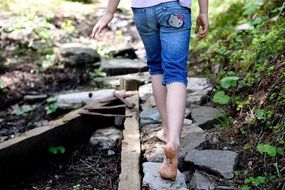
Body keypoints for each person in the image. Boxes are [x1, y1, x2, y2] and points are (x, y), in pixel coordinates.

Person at [92, 0, 209, 180]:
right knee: (175, 71)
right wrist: (203, 11)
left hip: (143, 9)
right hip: (174, 8)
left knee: (157, 68)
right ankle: (173, 141)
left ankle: (167, 130)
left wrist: (109, 12)